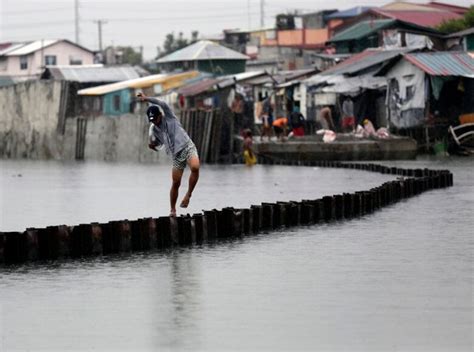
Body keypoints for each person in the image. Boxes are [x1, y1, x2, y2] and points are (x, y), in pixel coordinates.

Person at [137, 92, 200, 217]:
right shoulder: (155, 129)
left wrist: (147, 98)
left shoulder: (169, 117)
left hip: (187, 146)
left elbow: (162, 103)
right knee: (176, 183)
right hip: (176, 155)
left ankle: (188, 195)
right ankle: (173, 210)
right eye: (152, 120)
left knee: (195, 167)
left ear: (160, 115)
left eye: (155, 118)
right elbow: (161, 145)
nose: (154, 121)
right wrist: (153, 146)